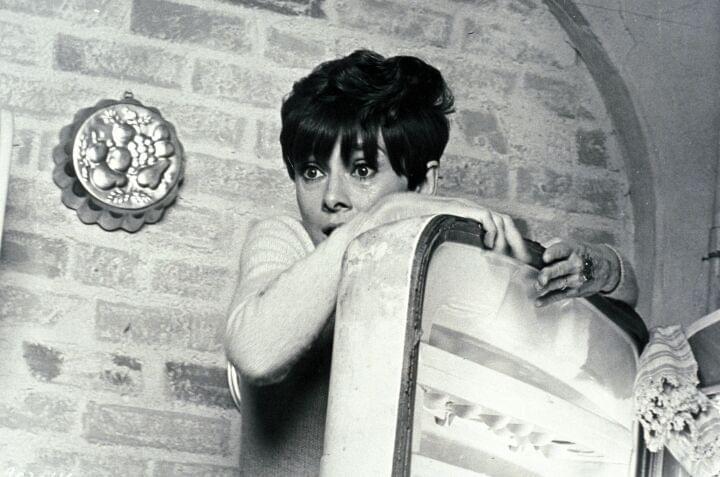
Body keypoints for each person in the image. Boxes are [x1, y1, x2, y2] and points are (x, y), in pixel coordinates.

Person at [224, 50, 638, 476]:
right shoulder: (286, 240)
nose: (332, 198)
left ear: (422, 184)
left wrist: (600, 269)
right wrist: (377, 216)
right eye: (312, 172)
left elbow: (605, 319)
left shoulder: (449, 259)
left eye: (362, 170)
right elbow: (255, 352)